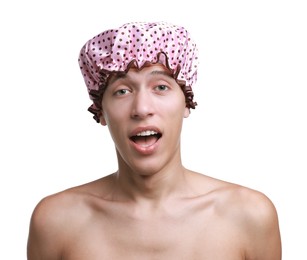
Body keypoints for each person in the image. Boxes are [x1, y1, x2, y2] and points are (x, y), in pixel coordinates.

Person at [27, 21, 282, 259]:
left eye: (160, 86)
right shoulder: (55, 222)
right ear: (100, 111)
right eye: (122, 91)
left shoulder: (250, 216)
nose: (142, 108)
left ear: (187, 102)